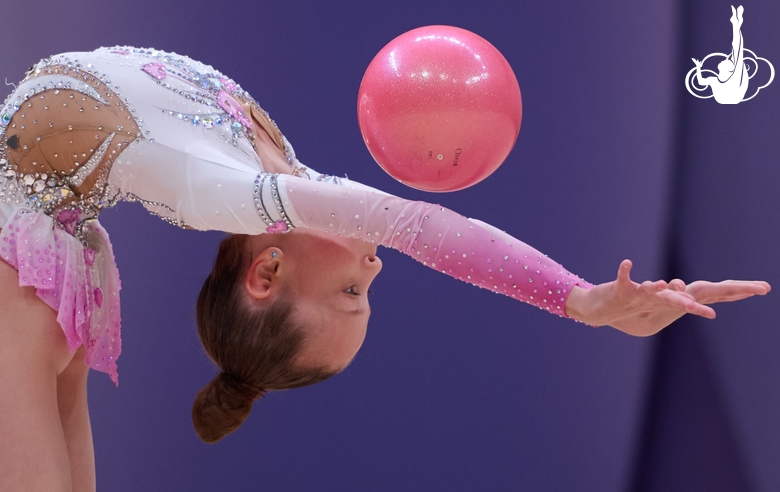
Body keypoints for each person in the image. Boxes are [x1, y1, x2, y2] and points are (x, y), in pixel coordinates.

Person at [0, 47, 769, 490]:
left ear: (264, 274)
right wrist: (578, 296)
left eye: (349, 288)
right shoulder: (280, 185)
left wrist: (579, 302)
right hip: (37, 232)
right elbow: (423, 230)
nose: (374, 263)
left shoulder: (224, 193)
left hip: (35, 243)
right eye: (366, 289)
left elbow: (425, 230)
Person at [692, 5, 748, 104]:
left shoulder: (730, 78)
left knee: (737, 51)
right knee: (737, 52)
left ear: (729, 69)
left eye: (727, 61)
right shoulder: (715, 80)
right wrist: (698, 67)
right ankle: (736, 24)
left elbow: (738, 49)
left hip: (732, 96)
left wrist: (698, 67)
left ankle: (736, 24)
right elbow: (701, 82)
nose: (725, 59)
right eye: (728, 61)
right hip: (730, 97)